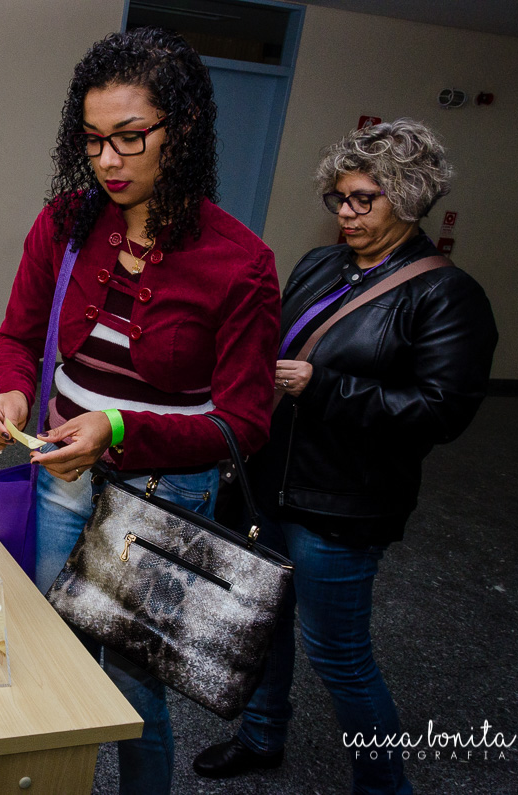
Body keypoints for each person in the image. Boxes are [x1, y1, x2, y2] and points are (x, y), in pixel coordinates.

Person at [0, 27, 280, 793]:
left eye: (130, 138)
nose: (107, 160)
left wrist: (115, 429)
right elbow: (17, 335)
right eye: (92, 141)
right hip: (61, 480)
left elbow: (242, 424)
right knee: (51, 648)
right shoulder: (68, 222)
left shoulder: (240, 262)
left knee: (137, 689)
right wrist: (10, 387)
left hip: (164, 498)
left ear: (185, 131)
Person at [192, 119, 498, 794]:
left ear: (410, 198)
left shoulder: (447, 296)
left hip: (342, 501)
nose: (347, 213)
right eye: (340, 198)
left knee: (340, 656)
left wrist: (323, 386)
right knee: (262, 621)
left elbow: (442, 411)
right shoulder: (319, 264)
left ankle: (384, 784)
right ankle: (261, 735)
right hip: (267, 480)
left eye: (365, 199)